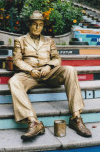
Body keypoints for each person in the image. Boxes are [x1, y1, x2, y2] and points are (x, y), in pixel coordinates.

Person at [8, 10, 92, 140]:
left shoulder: (49, 40)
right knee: (14, 81)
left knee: (70, 70)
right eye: (35, 24)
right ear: (29, 25)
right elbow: (17, 60)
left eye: (40, 24)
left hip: (49, 73)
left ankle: (76, 118)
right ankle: (33, 122)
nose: (37, 27)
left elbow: (57, 58)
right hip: (30, 75)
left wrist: (49, 66)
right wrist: (30, 70)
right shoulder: (20, 40)